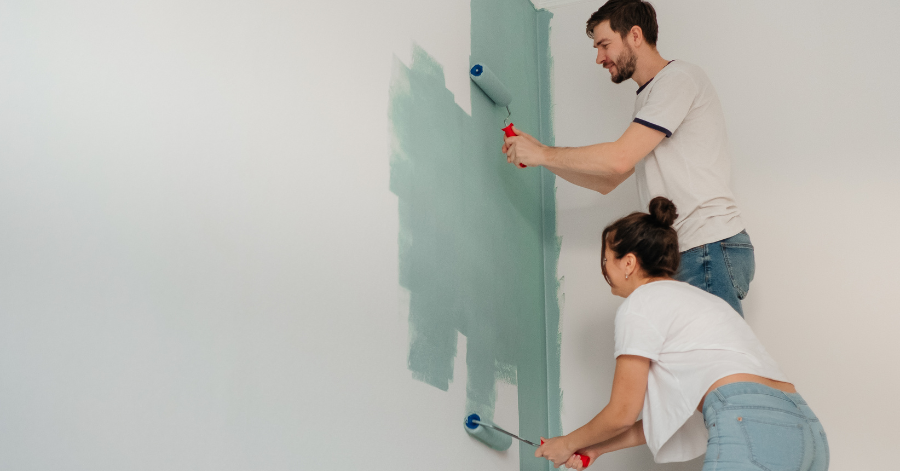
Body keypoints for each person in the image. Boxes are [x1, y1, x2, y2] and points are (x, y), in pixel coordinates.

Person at [533, 197, 828, 470]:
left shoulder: (640, 304)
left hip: (747, 422)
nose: (605, 269)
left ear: (628, 263)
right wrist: (595, 447)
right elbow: (665, 420)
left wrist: (565, 443)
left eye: (606, 260)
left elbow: (622, 412)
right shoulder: (702, 301)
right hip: (808, 429)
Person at [502, 0, 754, 316]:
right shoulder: (650, 98)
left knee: (711, 349)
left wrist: (542, 153)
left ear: (635, 35)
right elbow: (607, 180)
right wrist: (543, 156)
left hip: (707, 246)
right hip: (693, 251)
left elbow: (619, 158)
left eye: (604, 44)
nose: (599, 57)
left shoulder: (677, 79)